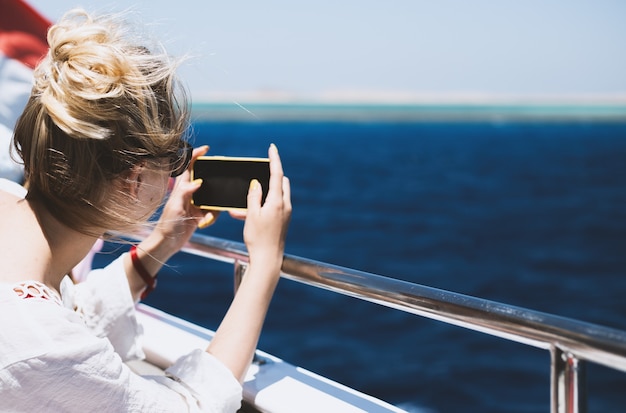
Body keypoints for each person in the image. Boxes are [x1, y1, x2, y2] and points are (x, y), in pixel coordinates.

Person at [0, 8, 291, 413]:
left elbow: (65, 318)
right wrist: (264, 263)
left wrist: (161, 244)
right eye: (174, 161)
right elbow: (188, 404)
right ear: (134, 180)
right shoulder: (40, 345)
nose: (175, 177)